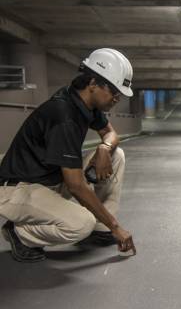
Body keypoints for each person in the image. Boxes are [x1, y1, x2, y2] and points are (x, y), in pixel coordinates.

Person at [0, 48, 136, 262]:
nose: (117, 98)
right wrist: (116, 227)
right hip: (18, 189)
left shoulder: (84, 104)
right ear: (93, 84)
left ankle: (101, 228)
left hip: (50, 180)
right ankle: (21, 234)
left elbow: (110, 133)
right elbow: (76, 186)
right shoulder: (63, 115)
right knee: (80, 224)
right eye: (114, 91)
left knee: (116, 155)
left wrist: (104, 148)